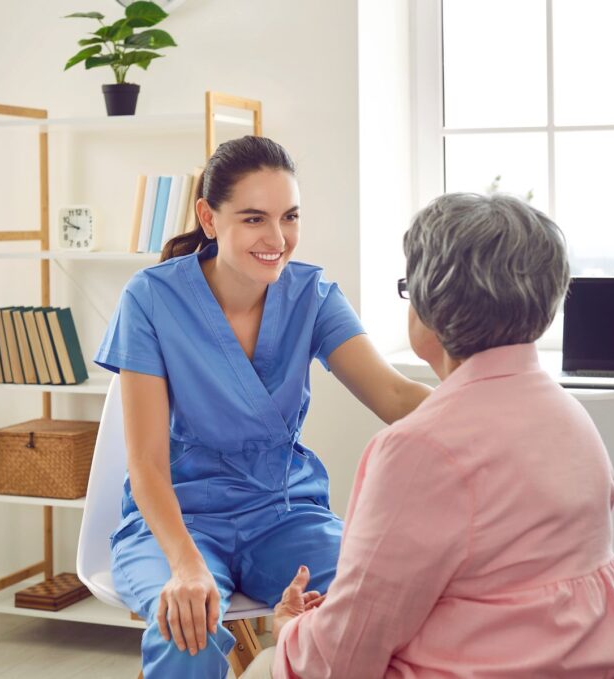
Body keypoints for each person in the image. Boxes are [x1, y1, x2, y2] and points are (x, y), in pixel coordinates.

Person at [247, 192, 614, 678]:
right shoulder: (571, 417)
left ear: (431, 306)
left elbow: (344, 658)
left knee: (269, 664)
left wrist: (290, 629)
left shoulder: (419, 449)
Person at [93, 135, 432, 678]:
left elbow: (392, 395)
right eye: (254, 219)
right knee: (188, 631)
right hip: (179, 521)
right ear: (208, 217)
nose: (278, 238)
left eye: (289, 217)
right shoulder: (150, 298)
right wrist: (185, 566)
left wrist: (493, 410)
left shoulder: (313, 295)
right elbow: (148, 464)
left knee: (381, 596)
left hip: (284, 516)